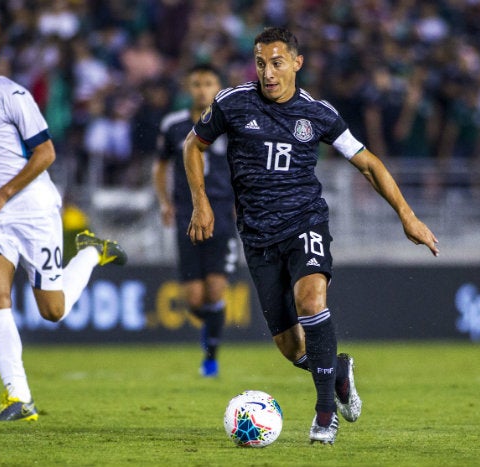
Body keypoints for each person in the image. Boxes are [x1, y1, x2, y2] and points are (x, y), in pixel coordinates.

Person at [184, 27, 439, 445]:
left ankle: (324, 416)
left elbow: (369, 163)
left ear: (297, 63)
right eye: (261, 63)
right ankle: (338, 372)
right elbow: (192, 146)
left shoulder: (318, 114)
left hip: (304, 223)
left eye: (277, 62)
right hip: (257, 237)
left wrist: (407, 217)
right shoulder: (232, 102)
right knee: (291, 348)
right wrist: (201, 202)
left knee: (311, 301)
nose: (268, 72)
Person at [0, 10, 127, 422]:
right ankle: (19, 398)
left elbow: (46, 153)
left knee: (53, 311)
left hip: (32, 206)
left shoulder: (14, 96)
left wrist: (4, 193)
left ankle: (92, 252)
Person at [153, 64, 237, 377]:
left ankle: (211, 357)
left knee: (215, 290)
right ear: (189, 88)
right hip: (187, 215)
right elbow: (160, 167)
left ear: (218, 87)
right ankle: (210, 330)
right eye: (196, 83)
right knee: (194, 299)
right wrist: (164, 202)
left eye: (208, 83)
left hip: (221, 213)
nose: (202, 89)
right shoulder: (173, 125)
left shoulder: (230, 124)